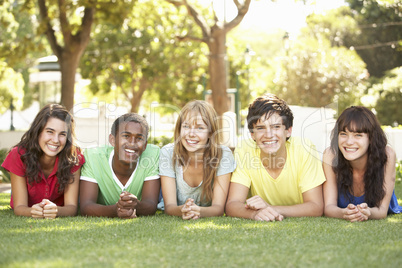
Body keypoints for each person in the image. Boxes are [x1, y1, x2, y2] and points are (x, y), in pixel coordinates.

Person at [225, 93, 325, 221]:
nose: (268, 134)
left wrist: (270, 209)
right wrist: (255, 214)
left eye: (276, 127)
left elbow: (315, 207)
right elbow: (232, 205)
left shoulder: (304, 149)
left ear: (288, 131)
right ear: (252, 134)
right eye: (260, 128)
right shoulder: (245, 149)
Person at [1, 104, 85, 218]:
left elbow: (72, 207)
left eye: (62, 134)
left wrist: (57, 211)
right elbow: (19, 207)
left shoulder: (73, 157)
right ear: (38, 131)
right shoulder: (18, 155)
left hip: (58, 206)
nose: (55, 140)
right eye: (50, 132)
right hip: (27, 204)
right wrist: (31, 211)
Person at [159, 100, 236, 220]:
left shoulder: (223, 155)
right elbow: (169, 207)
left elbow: (218, 208)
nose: (191, 134)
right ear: (179, 129)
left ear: (210, 133)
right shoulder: (168, 153)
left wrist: (198, 211)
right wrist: (183, 210)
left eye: (200, 128)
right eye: (186, 126)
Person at [322, 106, 401, 222]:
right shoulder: (331, 155)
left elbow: (382, 211)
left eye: (358, 135)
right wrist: (344, 213)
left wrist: (368, 212)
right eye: (343, 133)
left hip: (376, 211)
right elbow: (329, 208)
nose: (349, 142)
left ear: (371, 138)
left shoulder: (387, 155)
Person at [79, 113, 160, 218]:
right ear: (112, 140)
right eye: (126, 136)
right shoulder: (93, 156)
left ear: (145, 145)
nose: (132, 143)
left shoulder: (152, 154)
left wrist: (136, 205)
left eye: (139, 138)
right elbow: (86, 207)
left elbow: (151, 205)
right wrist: (116, 210)